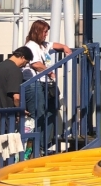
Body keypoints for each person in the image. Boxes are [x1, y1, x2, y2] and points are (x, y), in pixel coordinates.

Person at [23, 20, 70, 152]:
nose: (46, 34)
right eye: (44, 32)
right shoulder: (32, 45)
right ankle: (35, 148)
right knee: (39, 113)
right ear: (37, 31)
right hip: (35, 82)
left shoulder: (43, 45)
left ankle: (43, 145)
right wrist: (50, 72)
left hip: (46, 84)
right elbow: (36, 64)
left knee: (50, 112)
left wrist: (65, 48)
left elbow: (54, 45)